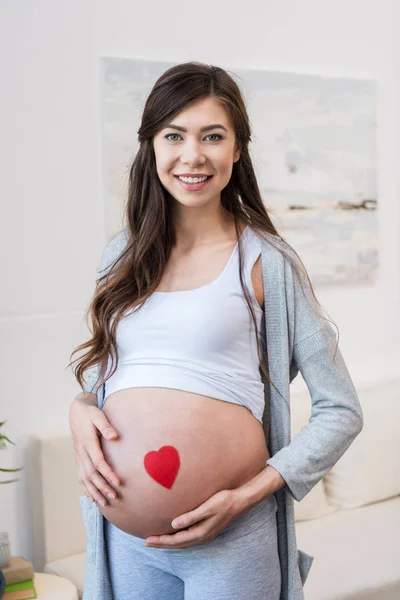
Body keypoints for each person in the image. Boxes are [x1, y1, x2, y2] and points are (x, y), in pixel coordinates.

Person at [68, 62, 363, 600]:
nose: (193, 155)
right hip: (126, 545)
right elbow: (106, 380)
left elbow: (341, 409)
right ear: (151, 146)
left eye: (213, 136)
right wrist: (79, 409)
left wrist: (252, 493)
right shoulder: (121, 256)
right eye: (174, 135)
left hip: (231, 543)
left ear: (237, 150)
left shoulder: (267, 262)